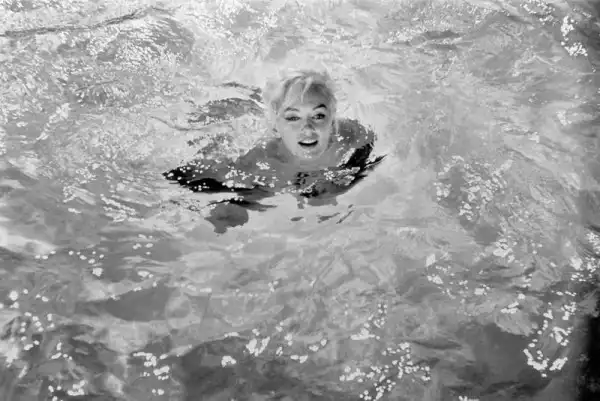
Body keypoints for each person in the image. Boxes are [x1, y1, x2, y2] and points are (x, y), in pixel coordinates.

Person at [164, 69, 385, 232]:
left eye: (318, 116)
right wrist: (242, 204)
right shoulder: (264, 159)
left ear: (332, 120)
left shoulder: (349, 134)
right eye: (293, 118)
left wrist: (338, 185)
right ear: (276, 127)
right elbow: (194, 177)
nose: (308, 129)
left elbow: (367, 144)